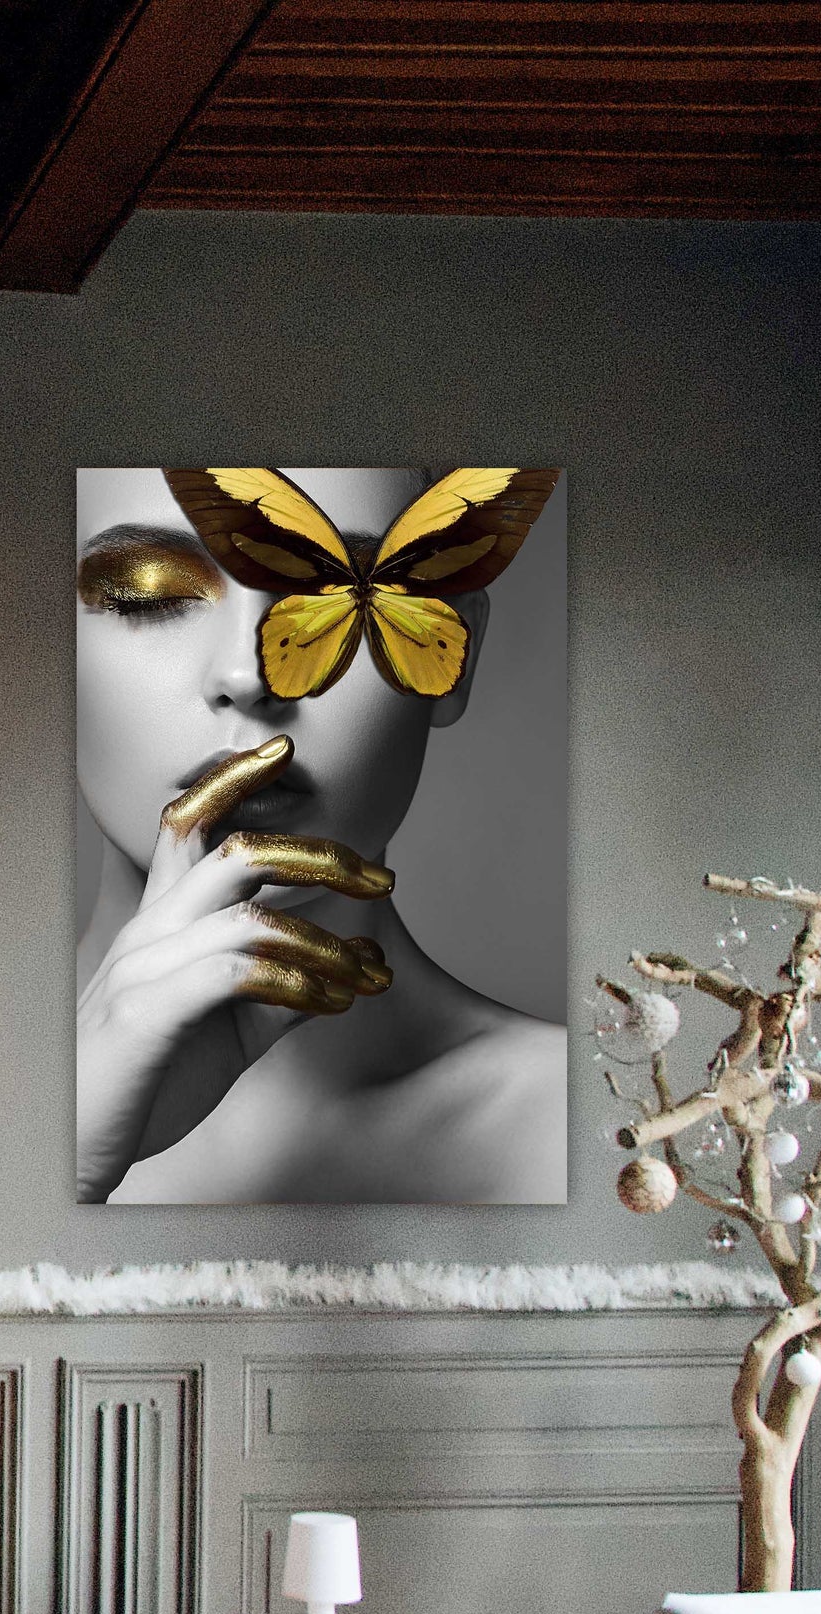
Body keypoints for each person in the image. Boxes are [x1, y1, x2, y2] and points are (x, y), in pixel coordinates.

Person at [75, 466, 565, 1205]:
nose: (252, 672)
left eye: (343, 594)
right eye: (149, 594)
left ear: (453, 653)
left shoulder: (590, 1132)